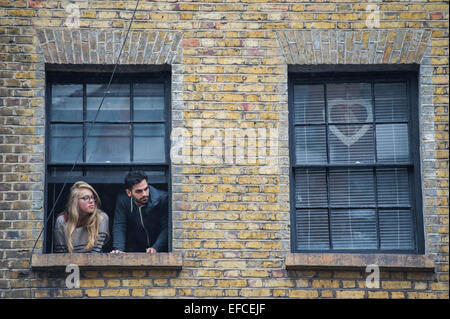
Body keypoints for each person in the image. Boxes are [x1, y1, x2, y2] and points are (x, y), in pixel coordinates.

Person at [111, 171, 168, 254]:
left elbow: (167, 227)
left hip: (161, 249)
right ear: (129, 192)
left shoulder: (162, 198)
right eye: (139, 191)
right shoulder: (123, 200)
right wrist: (119, 249)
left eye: (146, 189)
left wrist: (156, 247)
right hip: (136, 248)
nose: (144, 194)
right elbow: (120, 225)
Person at [54, 181, 109, 253]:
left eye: (93, 197)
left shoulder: (101, 218)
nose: (91, 201)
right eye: (86, 198)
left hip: (94, 263)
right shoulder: (62, 221)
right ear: (75, 201)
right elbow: (61, 255)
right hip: (69, 263)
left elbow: (95, 254)